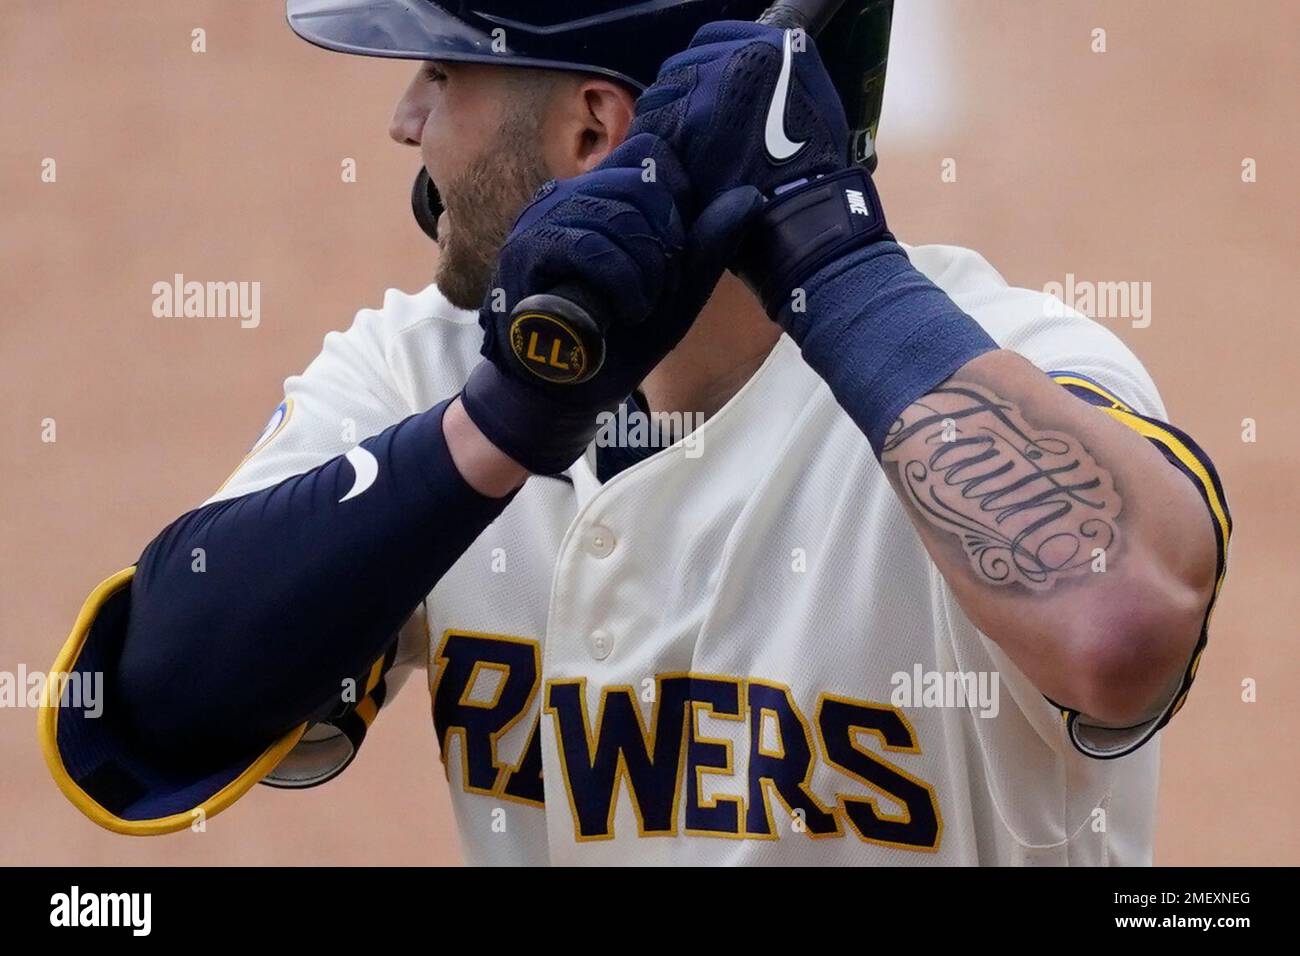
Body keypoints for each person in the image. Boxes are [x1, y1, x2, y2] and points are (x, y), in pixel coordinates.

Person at [41, 0, 1230, 865]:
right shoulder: (428, 372)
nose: (407, 120)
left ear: (594, 129)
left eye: (445, 72)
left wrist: (830, 256)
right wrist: (499, 426)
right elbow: (159, 698)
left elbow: (1118, 626)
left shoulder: (1008, 376)